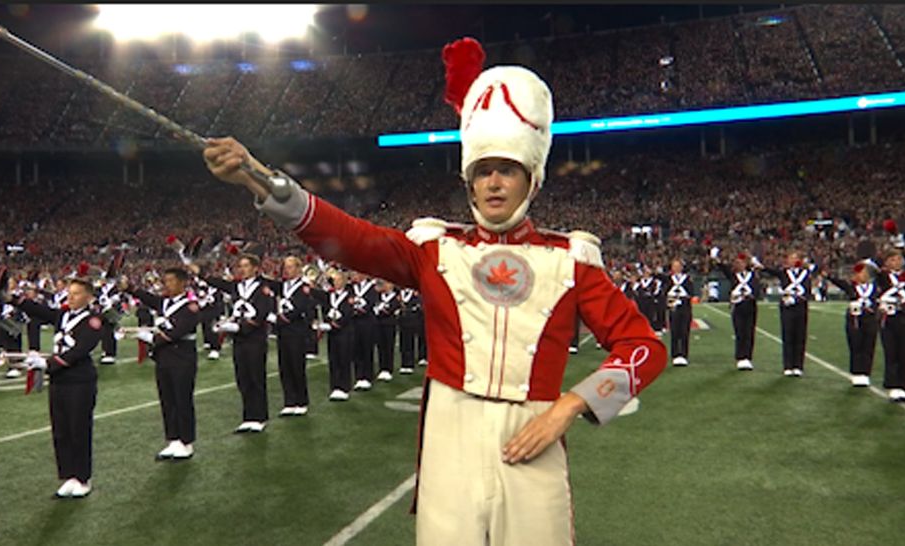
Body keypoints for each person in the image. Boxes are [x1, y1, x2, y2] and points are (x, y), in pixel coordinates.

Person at [203, 37, 667, 545]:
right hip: (451, 441)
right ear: (468, 181)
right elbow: (349, 238)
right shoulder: (434, 249)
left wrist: (569, 406)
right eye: (482, 171)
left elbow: (644, 349)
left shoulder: (571, 261)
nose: (493, 183)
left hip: (536, 439)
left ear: (532, 181)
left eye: (507, 170)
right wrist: (259, 179)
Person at [14, 277, 102, 499]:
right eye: (69, 293)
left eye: (77, 294)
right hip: (59, 380)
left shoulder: (93, 321)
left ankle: (83, 477)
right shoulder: (63, 315)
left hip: (79, 380)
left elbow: (80, 350)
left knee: (78, 428)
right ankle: (69, 475)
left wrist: (48, 364)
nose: (70, 297)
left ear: (89, 297)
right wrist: (12, 299)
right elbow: (37, 310)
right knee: (61, 429)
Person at [190, 254, 275, 432]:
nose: (242, 269)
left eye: (245, 266)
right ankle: (248, 416)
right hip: (239, 339)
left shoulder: (264, 287)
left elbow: (262, 313)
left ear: (255, 268)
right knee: (242, 377)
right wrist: (201, 274)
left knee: (255, 377)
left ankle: (259, 417)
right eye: (240, 266)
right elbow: (218, 283)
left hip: (255, 338)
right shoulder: (236, 286)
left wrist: (239, 327)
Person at [123, 268, 201, 459]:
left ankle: (186, 441)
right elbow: (147, 297)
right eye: (165, 280)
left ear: (183, 283)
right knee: (167, 399)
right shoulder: (165, 303)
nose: (167, 284)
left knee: (182, 399)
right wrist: (130, 288)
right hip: (164, 357)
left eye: (171, 281)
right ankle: (173, 439)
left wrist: (147, 336)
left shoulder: (191, 306)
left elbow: (176, 332)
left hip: (182, 357)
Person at [759, 250, 818, 377]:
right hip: (787, 307)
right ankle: (788, 365)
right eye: (791, 258)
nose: (793, 260)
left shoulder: (806, 273)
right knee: (788, 335)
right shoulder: (784, 273)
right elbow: (770, 271)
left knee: (800, 335)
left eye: (795, 258)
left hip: (801, 306)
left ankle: (798, 366)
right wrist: (759, 265)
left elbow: (808, 289)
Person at [272, 256, 316, 416]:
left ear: (298, 269)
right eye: (285, 266)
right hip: (283, 331)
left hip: (296, 330)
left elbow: (300, 307)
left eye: (290, 267)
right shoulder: (283, 286)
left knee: (297, 365)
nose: (286, 269)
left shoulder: (303, 287)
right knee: (284, 365)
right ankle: (289, 401)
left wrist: (281, 318)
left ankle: (301, 400)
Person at [824, 261, 879, 387]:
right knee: (855, 345)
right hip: (854, 319)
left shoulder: (875, 287)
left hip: (870, 320)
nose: (861, 275)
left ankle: (865, 373)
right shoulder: (851, 286)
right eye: (859, 273)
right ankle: (856, 372)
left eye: (864, 273)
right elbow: (839, 282)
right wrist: (827, 275)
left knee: (868, 346)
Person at [710, 248, 762, 370]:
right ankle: (740, 357)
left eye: (741, 262)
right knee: (739, 331)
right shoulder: (733, 275)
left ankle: (748, 357)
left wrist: (751, 258)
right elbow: (721, 266)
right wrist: (715, 257)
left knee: (749, 332)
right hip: (738, 306)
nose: (738, 264)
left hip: (750, 305)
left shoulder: (752, 274)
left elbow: (759, 272)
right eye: (736, 263)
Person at [315, 270, 356, 400]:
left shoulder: (349, 296)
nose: (336, 283)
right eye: (335, 280)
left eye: (339, 280)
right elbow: (325, 308)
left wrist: (334, 324)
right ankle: (335, 386)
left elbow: (348, 313)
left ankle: (344, 387)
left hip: (344, 331)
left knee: (344, 358)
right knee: (333, 358)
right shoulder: (330, 295)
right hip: (332, 333)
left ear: (344, 281)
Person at [876, 248, 905, 402]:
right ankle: (893, 386)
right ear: (887, 262)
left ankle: (904, 386)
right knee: (891, 352)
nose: (897, 262)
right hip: (888, 320)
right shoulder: (882, 276)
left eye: (899, 259)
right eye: (893, 259)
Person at [661, 259, 694, 366]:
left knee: (684, 331)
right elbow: (665, 291)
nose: (676, 268)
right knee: (674, 331)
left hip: (685, 307)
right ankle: (675, 354)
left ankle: (684, 354)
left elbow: (691, 292)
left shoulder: (687, 278)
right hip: (673, 307)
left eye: (677, 266)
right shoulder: (668, 279)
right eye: (674, 266)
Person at [349, 271, 378, 391]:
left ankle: (367, 376)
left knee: (367, 348)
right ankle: (358, 376)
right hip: (354, 322)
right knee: (356, 349)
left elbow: (371, 304)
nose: (354, 276)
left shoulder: (372, 288)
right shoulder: (351, 288)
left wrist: (357, 308)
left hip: (367, 322)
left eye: (357, 274)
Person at [397, 286, 423, 375]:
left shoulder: (415, 293)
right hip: (402, 321)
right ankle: (403, 363)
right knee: (403, 342)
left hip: (412, 320)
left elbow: (418, 305)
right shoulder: (400, 293)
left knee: (410, 341)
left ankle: (409, 364)